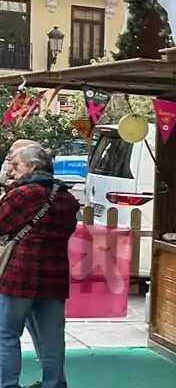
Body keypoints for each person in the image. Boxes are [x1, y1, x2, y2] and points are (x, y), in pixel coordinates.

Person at [0, 142, 79, 388]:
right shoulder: (67, 198)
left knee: (6, 335)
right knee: (52, 338)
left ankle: (8, 384)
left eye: (16, 166)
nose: (12, 171)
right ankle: (54, 384)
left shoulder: (24, 194)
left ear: (32, 166)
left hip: (19, 276)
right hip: (55, 277)